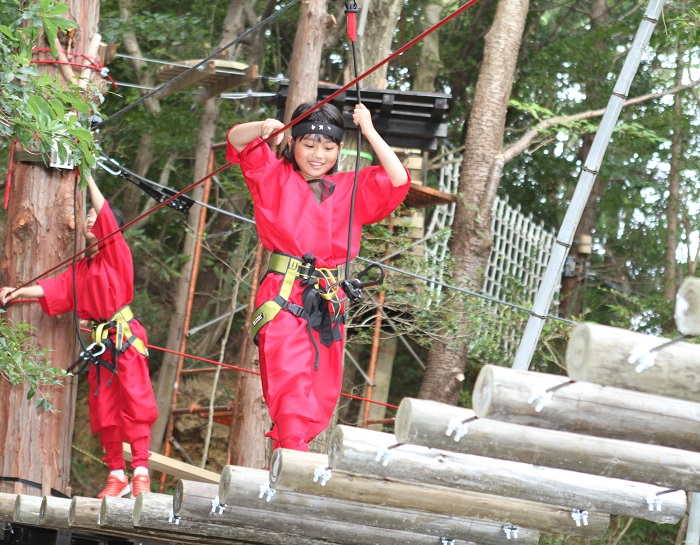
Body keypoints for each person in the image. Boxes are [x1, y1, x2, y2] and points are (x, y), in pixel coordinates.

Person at [226, 101, 410, 452]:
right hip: (283, 291)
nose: (317, 154)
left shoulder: (350, 187)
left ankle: (285, 464)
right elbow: (236, 139)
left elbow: (398, 179)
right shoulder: (271, 174)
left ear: (340, 150)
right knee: (290, 379)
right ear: (293, 144)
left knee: (319, 388)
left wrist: (369, 130)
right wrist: (265, 125)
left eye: (328, 147)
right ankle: (293, 458)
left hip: (328, 299)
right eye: (308, 144)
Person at [0, 176, 158, 499]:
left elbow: (105, 216)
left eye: (94, 216)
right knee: (104, 411)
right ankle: (117, 475)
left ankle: (140, 472)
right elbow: (55, 288)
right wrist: (14, 293)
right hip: (102, 347)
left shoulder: (117, 253)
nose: (90, 218)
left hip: (125, 338)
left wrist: (87, 176)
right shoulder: (83, 269)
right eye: (86, 215)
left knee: (135, 404)